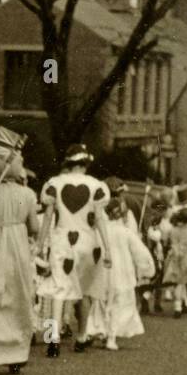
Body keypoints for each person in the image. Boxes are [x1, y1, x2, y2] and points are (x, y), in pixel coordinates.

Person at [37, 145, 111, 354]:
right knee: (85, 291)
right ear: (85, 164)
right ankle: (81, 336)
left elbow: (48, 218)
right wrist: (108, 249)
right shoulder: (96, 186)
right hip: (88, 242)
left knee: (57, 289)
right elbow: (99, 220)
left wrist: (40, 244)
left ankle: (53, 338)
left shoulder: (54, 184)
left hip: (62, 240)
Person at [0, 128, 38, 373]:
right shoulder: (27, 194)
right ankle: (15, 352)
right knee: (18, 297)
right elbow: (34, 226)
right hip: (18, 250)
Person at [86, 192, 155, 347]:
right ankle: (111, 337)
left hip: (103, 271)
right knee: (119, 304)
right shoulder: (126, 232)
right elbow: (140, 253)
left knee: (101, 302)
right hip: (123, 272)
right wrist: (147, 269)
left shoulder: (100, 231)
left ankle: (97, 330)